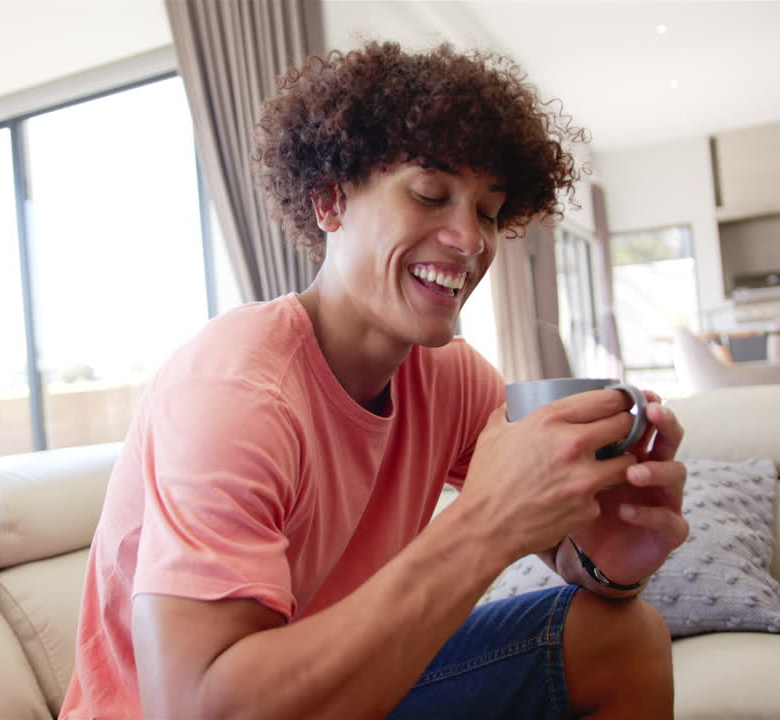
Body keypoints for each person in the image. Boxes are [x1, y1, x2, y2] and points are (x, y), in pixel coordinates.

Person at [60, 41, 687, 719]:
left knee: (620, 638)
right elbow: (195, 708)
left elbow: (566, 549)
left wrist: (614, 557)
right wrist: (481, 526)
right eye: (430, 194)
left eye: (487, 211)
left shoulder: (455, 381)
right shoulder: (236, 393)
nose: (471, 240)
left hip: (342, 690)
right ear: (330, 201)